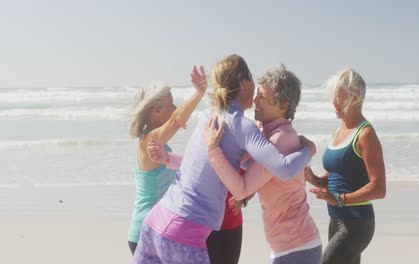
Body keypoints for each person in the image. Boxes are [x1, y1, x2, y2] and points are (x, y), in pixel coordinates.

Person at [132, 54, 315, 264]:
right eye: (254, 84)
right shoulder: (242, 126)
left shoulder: (208, 115)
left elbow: (199, 164)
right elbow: (285, 169)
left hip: (155, 223)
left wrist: (168, 159)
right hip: (182, 234)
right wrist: (308, 150)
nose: (256, 97)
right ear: (246, 84)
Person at [203, 64, 322, 264]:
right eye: (257, 93)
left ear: (283, 106)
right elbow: (256, 175)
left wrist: (213, 150)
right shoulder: (265, 132)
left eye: (263, 97)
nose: (255, 100)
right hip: (286, 247)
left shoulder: (281, 140)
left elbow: (244, 187)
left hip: (297, 248)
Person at [305, 68, 386, 264]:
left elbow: (379, 189)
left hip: (357, 224)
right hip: (336, 219)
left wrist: (339, 199)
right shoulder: (338, 132)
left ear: (355, 96)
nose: (333, 102)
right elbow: (333, 178)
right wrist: (313, 178)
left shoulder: (366, 135)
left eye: (338, 97)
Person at [126, 66, 207, 255]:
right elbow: (175, 122)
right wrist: (199, 93)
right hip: (145, 233)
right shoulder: (150, 141)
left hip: (156, 230)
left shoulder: (156, 143)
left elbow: (175, 122)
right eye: (171, 105)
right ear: (156, 109)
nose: (175, 109)